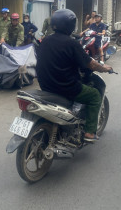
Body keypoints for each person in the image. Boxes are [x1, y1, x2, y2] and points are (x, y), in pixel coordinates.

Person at [36, 9, 112, 142]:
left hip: (46, 86)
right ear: (71, 25)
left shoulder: (45, 41)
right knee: (94, 95)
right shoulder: (71, 44)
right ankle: (89, 132)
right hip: (66, 88)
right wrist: (104, 68)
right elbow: (91, 65)